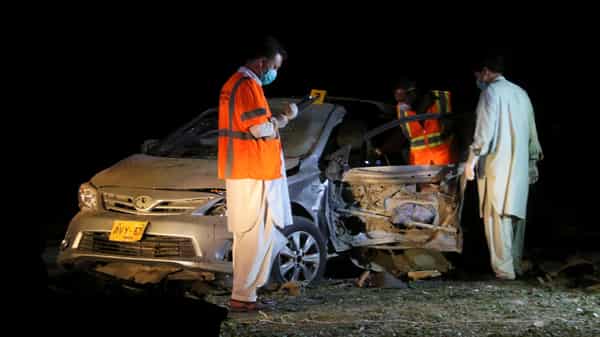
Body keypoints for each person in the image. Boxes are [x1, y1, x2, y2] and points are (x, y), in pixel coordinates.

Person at [217, 36, 297, 311]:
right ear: (262, 63)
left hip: (247, 168)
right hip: (253, 169)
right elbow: (259, 129)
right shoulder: (247, 84)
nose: (274, 72)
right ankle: (242, 296)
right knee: (256, 233)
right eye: (274, 66)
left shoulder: (238, 84)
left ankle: (246, 295)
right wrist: (284, 119)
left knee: (254, 234)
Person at [465, 55, 543, 280]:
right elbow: (532, 132)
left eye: (478, 76)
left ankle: (504, 270)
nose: (477, 80)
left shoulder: (490, 93)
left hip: (496, 163)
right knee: (516, 216)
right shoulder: (521, 93)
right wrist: (532, 161)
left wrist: (471, 160)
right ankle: (515, 264)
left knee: (496, 216)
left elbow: (484, 132)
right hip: (518, 165)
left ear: (486, 72)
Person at [395, 79, 454, 165]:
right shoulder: (401, 110)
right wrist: (381, 149)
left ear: (413, 93)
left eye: (403, 99)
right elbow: (401, 134)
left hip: (444, 161)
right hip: (419, 165)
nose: (401, 104)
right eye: (398, 100)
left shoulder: (441, 99)